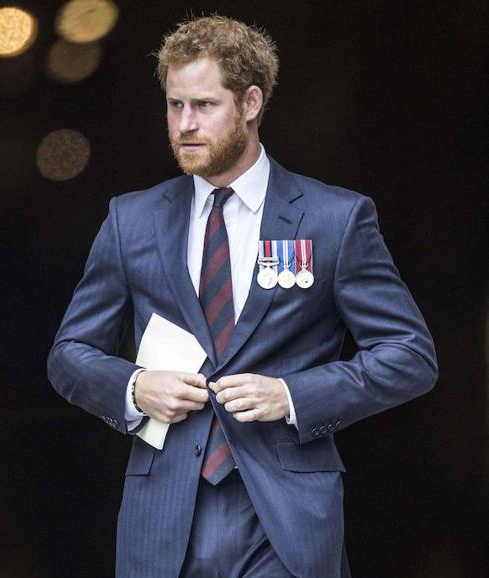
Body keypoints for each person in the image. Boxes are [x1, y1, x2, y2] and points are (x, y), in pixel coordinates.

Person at [47, 15, 438, 578]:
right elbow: (69, 354)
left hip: (286, 519)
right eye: (174, 105)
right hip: (163, 518)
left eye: (204, 105)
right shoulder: (130, 219)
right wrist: (133, 387)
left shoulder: (335, 218)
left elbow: (410, 356)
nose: (185, 123)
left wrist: (293, 394)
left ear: (251, 102)